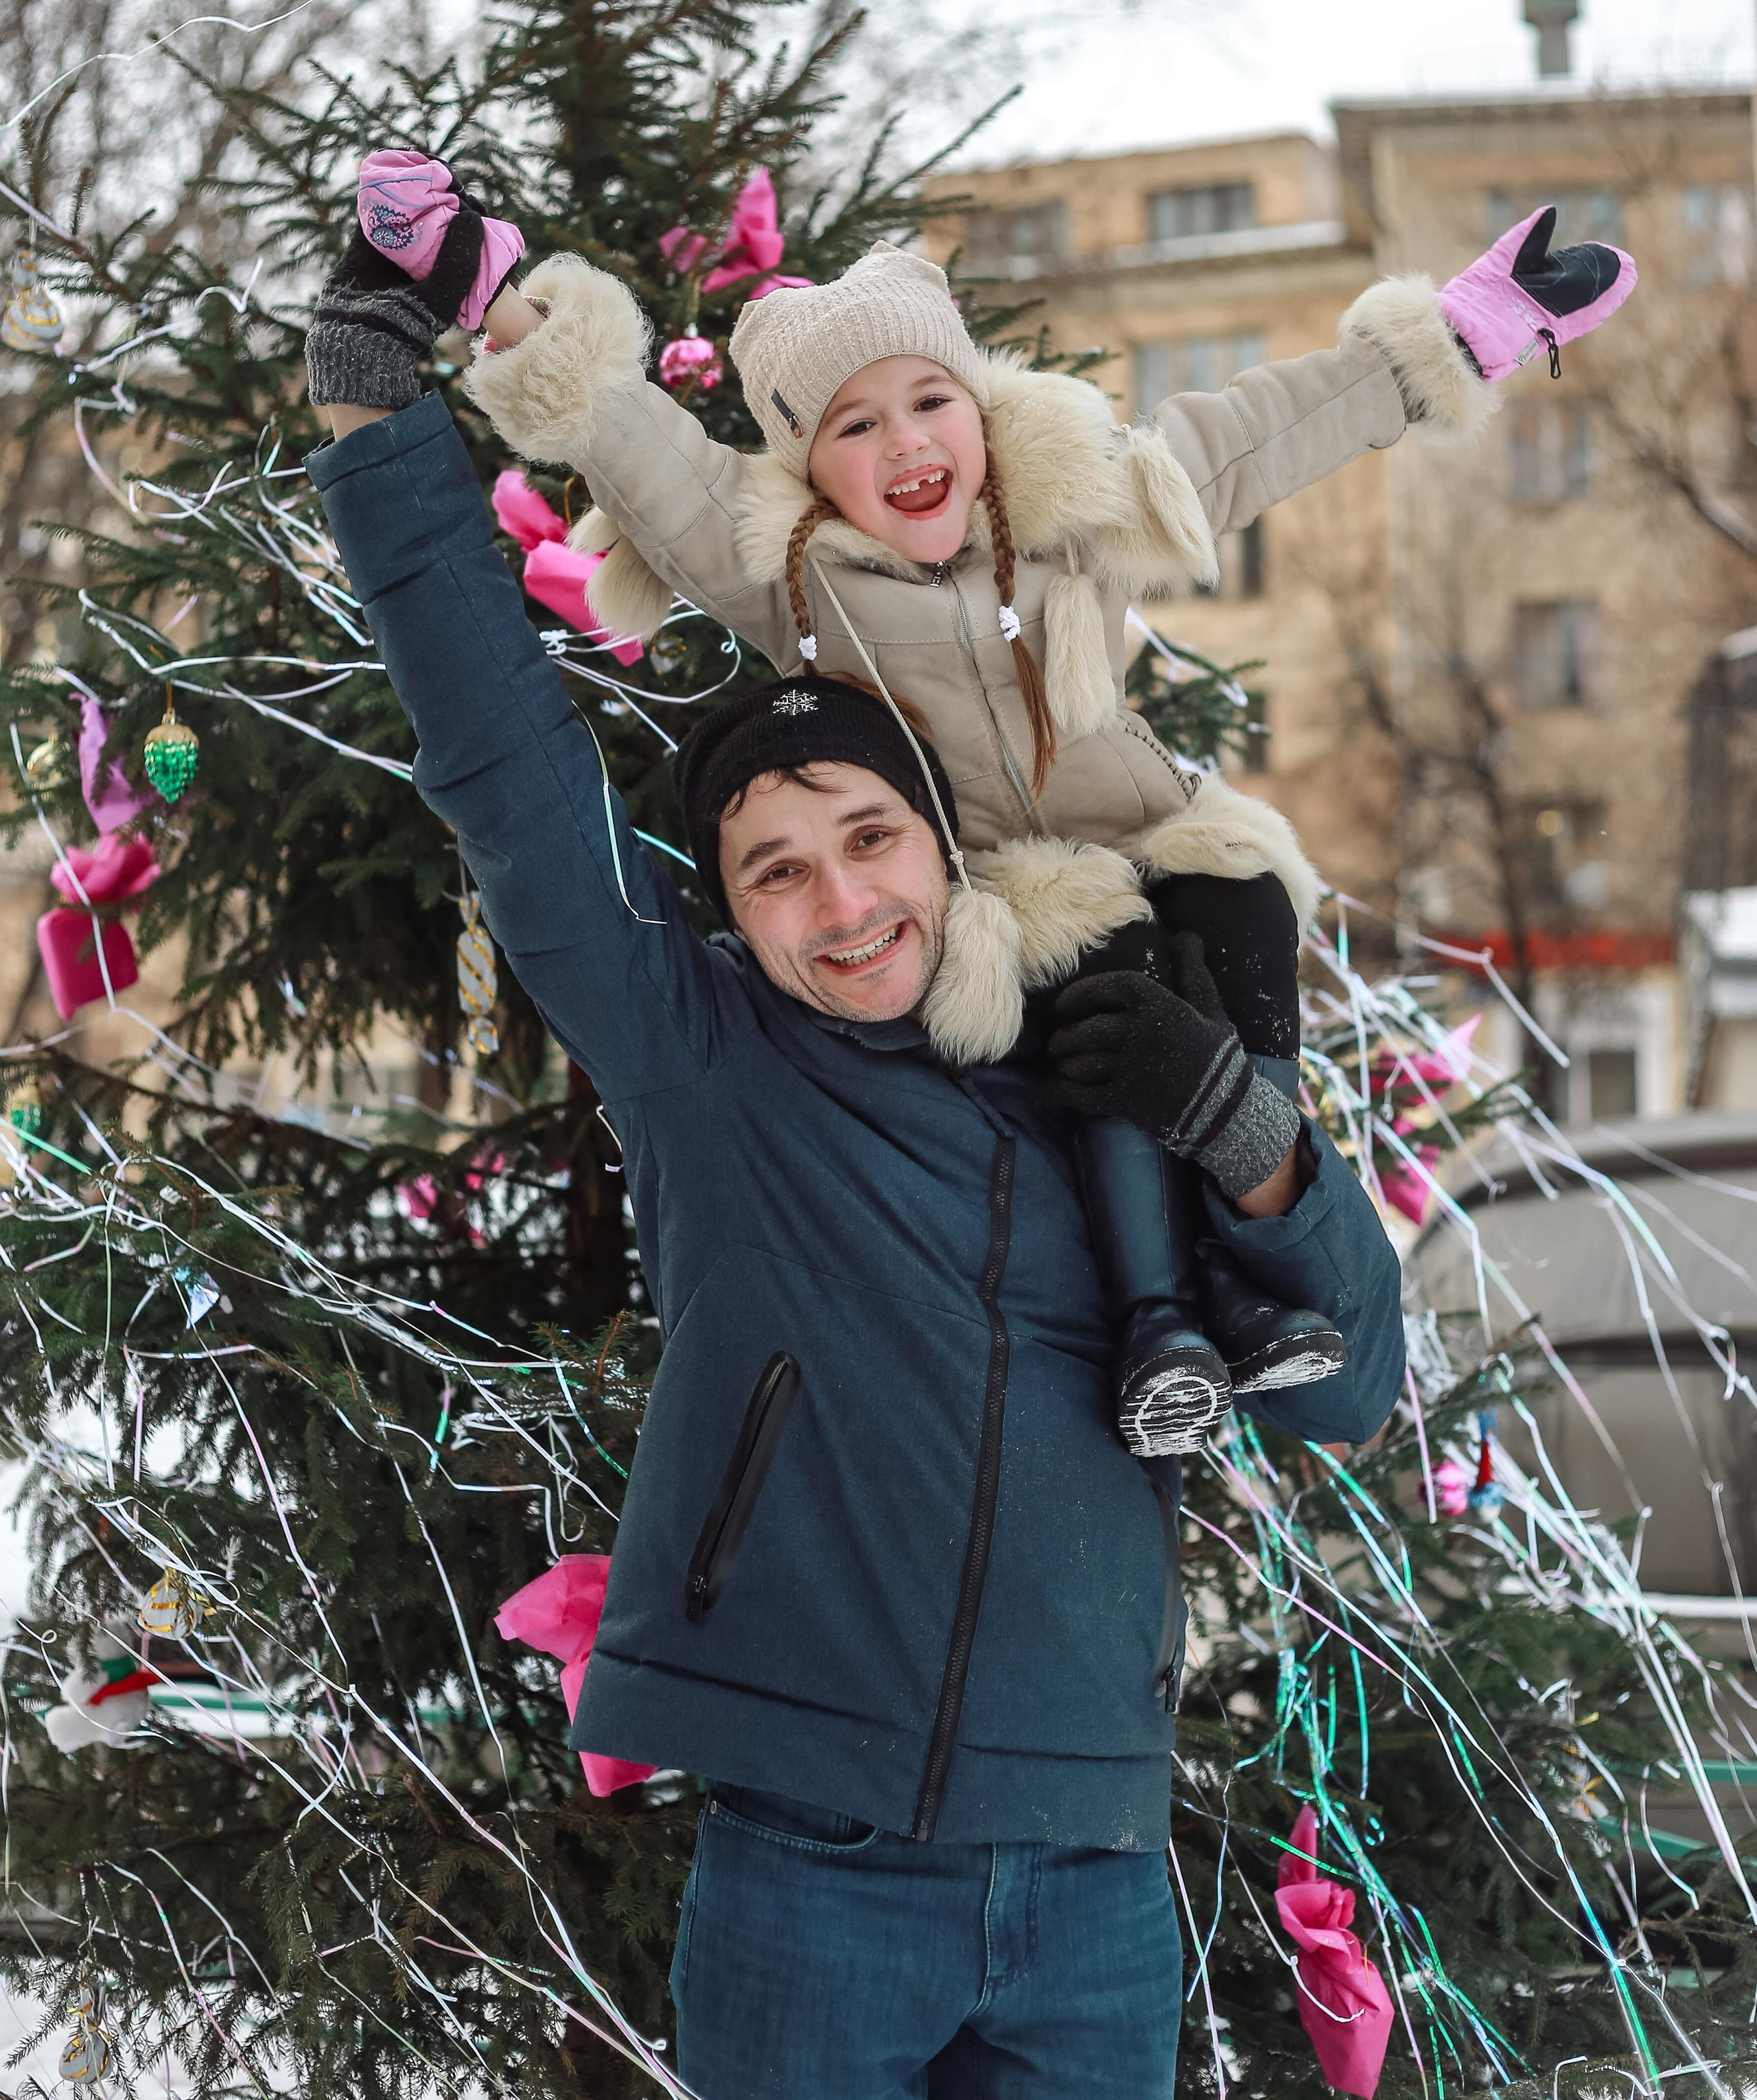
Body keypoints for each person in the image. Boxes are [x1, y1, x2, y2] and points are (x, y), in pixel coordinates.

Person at [304, 281, 1410, 2097]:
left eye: (871, 839)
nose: (842, 903)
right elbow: (504, 767)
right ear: (725, 914)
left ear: (940, 847)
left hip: (1097, 1879)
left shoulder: (1108, 1077)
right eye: (777, 872)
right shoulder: (711, 1062)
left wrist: (1245, 1133)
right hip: (814, 1873)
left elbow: (1347, 1389)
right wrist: (380, 434)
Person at [319, 151, 1636, 1455]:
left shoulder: (1067, 502)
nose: (906, 443)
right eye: (854, 423)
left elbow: (1251, 437)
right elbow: (630, 434)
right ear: (808, 461)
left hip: (1149, 828)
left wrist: (1462, 335)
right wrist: (481, 281)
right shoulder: (784, 570)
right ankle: (1161, 1317)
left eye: (929, 400)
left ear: (977, 405)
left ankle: (1249, 1243)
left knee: (1238, 896)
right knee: (1113, 989)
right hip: (1004, 884)